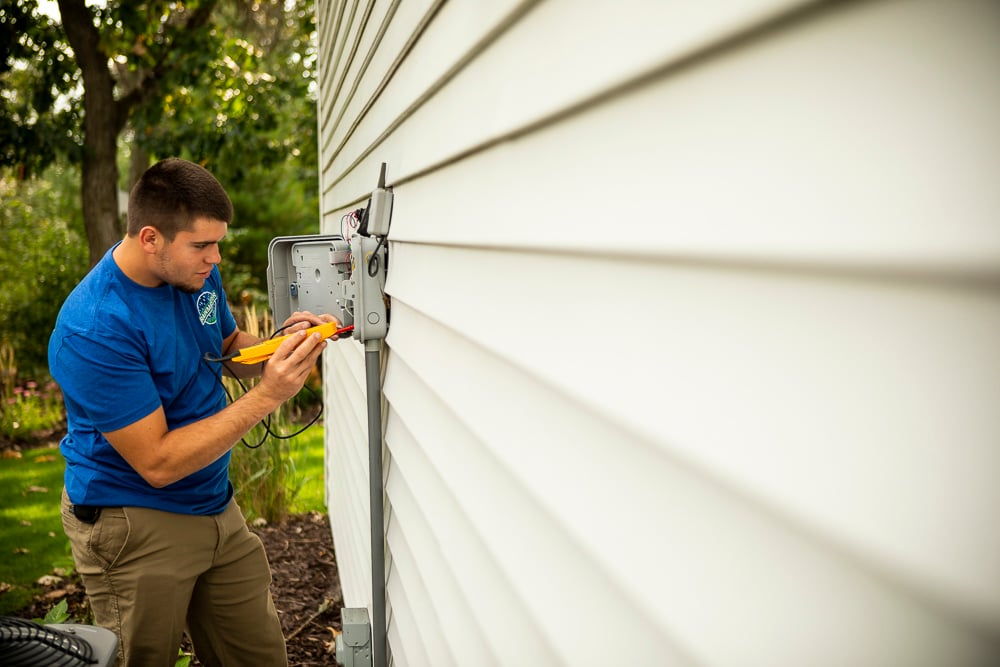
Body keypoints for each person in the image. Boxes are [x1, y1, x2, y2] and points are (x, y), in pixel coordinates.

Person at [48, 157, 337, 666]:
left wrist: (282, 347)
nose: (216, 258)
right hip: (134, 519)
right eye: (202, 245)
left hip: (214, 505)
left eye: (217, 242)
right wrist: (269, 396)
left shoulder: (193, 278)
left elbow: (226, 346)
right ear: (151, 238)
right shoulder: (95, 326)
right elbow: (157, 463)